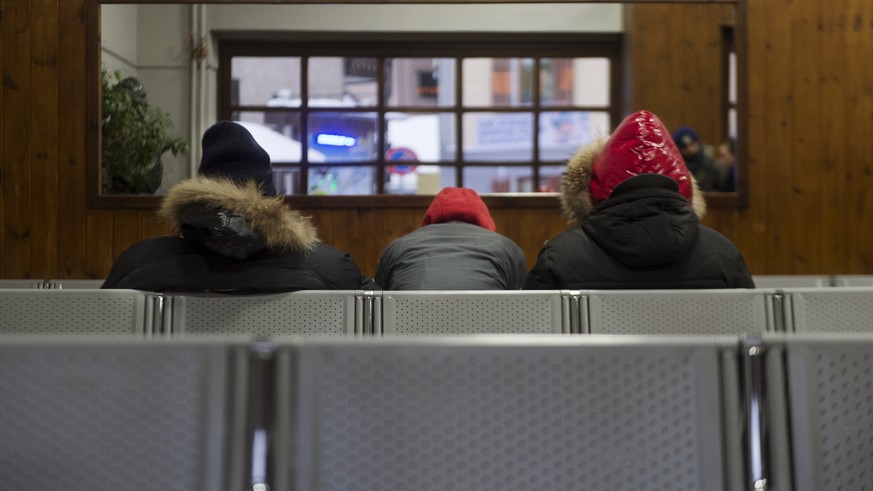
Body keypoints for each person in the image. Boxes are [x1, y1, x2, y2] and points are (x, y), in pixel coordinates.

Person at [102, 120, 376, 292]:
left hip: (171, 384)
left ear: (194, 200)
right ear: (272, 200)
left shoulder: (137, 264)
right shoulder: (331, 268)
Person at [524, 110, 754, 290]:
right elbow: (751, 335)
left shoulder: (561, 256)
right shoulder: (724, 254)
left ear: (591, 189)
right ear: (684, 186)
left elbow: (531, 341)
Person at [375, 187, 527, 290]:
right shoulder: (505, 247)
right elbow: (520, 304)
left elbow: (378, 299)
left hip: (408, 333)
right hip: (484, 333)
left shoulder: (398, 247)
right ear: (483, 218)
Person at [671, 126, 730, 192]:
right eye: (685, 147)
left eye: (693, 144)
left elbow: (724, 190)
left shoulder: (712, 164)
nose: (690, 149)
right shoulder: (676, 167)